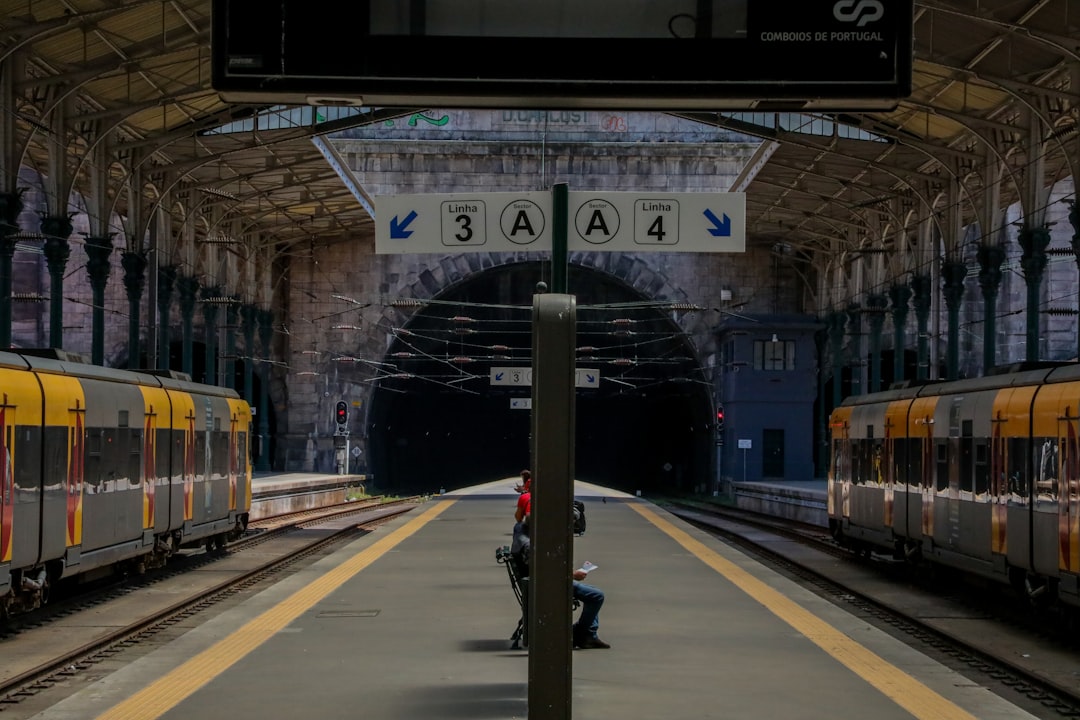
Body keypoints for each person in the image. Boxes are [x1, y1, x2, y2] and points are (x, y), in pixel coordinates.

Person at [511, 514, 610, 649]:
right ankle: (581, 633)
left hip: (536, 583)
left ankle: (589, 635)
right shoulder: (530, 545)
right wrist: (572, 575)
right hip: (545, 586)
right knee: (596, 596)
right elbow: (544, 572)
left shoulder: (521, 531)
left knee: (591, 591)